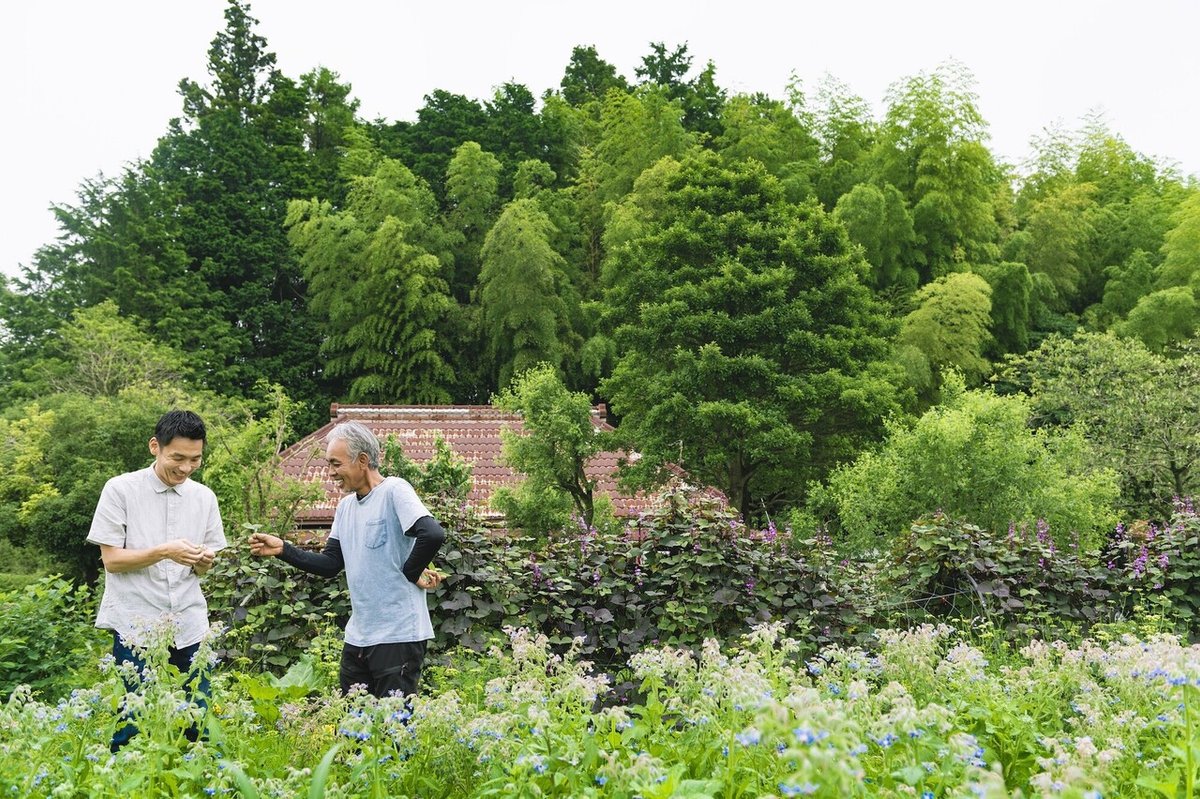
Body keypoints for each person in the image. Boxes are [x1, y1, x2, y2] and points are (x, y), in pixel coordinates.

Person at [249, 420, 446, 700]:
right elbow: (330, 564)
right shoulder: (345, 507)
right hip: (359, 637)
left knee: (394, 731)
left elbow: (432, 533)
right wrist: (283, 549)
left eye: (336, 464)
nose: (331, 472)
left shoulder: (394, 491)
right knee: (353, 728)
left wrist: (412, 571)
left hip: (398, 635)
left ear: (362, 460)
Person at [87, 409, 226, 752]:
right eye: (177, 457)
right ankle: (123, 778)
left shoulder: (204, 497)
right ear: (155, 447)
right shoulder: (120, 490)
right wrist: (165, 551)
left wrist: (203, 562)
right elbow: (112, 561)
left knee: (198, 718)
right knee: (133, 720)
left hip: (190, 621)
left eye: (195, 459)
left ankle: (202, 780)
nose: (186, 467)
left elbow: (206, 566)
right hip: (137, 623)